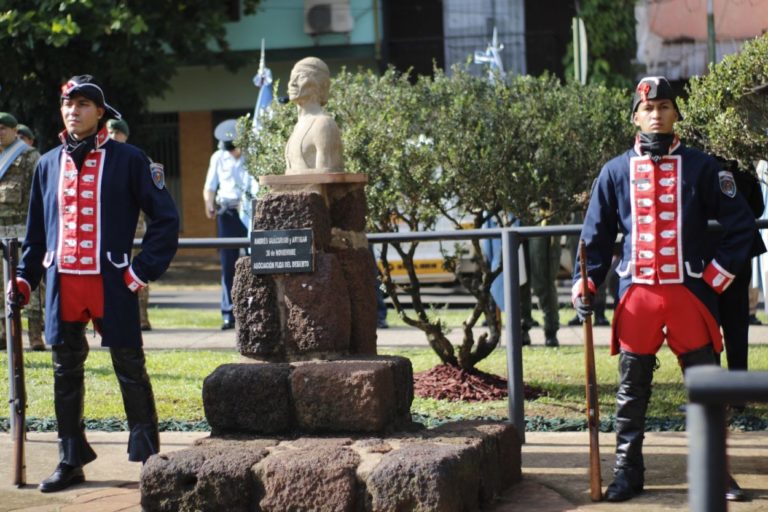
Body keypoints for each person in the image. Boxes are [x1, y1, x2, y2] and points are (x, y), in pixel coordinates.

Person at [572, 76, 754, 503]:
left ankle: (716, 474)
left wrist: (715, 277)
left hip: (690, 296)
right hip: (638, 298)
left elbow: (740, 226)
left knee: (706, 389)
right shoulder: (614, 171)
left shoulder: (703, 167)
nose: (656, 114)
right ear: (636, 116)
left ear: (676, 114)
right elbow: (594, 239)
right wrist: (588, 283)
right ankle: (626, 474)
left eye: (665, 107)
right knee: (631, 394)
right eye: (648, 109)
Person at [9, 75, 179, 492]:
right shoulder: (47, 162)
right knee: (64, 372)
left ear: (100, 112)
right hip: (63, 283)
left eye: (83, 104)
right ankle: (70, 459)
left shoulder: (130, 158)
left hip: (112, 281)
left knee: (130, 369)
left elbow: (166, 219)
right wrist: (25, 278)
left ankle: (148, 458)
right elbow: (36, 235)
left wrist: (141, 270)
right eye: (68, 104)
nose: (74, 111)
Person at [203, 119, 255, 330]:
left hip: (250, 211)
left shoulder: (253, 155)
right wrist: (208, 203)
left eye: (235, 148)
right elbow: (210, 186)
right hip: (227, 212)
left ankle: (255, 309)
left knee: (256, 260)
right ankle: (228, 312)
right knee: (228, 263)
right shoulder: (218, 157)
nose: (233, 152)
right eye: (229, 149)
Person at [0, 112, 45, 350]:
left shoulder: (28, 157)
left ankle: (35, 336)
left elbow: (40, 197)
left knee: (30, 285)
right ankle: (4, 335)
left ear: (14, 130)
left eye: (3, 129)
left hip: (23, 233)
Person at [107, 118, 153, 331]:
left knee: (137, 273)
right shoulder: (101, 160)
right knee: (110, 273)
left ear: (125, 135)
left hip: (135, 228)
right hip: (108, 229)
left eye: (117, 132)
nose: (113, 136)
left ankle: (142, 317)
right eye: (110, 132)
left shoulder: (138, 159)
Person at [284, 56, 343, 174]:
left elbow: (326, 178)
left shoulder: (323, 124)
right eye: (291, 78)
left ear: (320, 84)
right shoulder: (298, 125)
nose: (292, 83)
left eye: (300, 77)